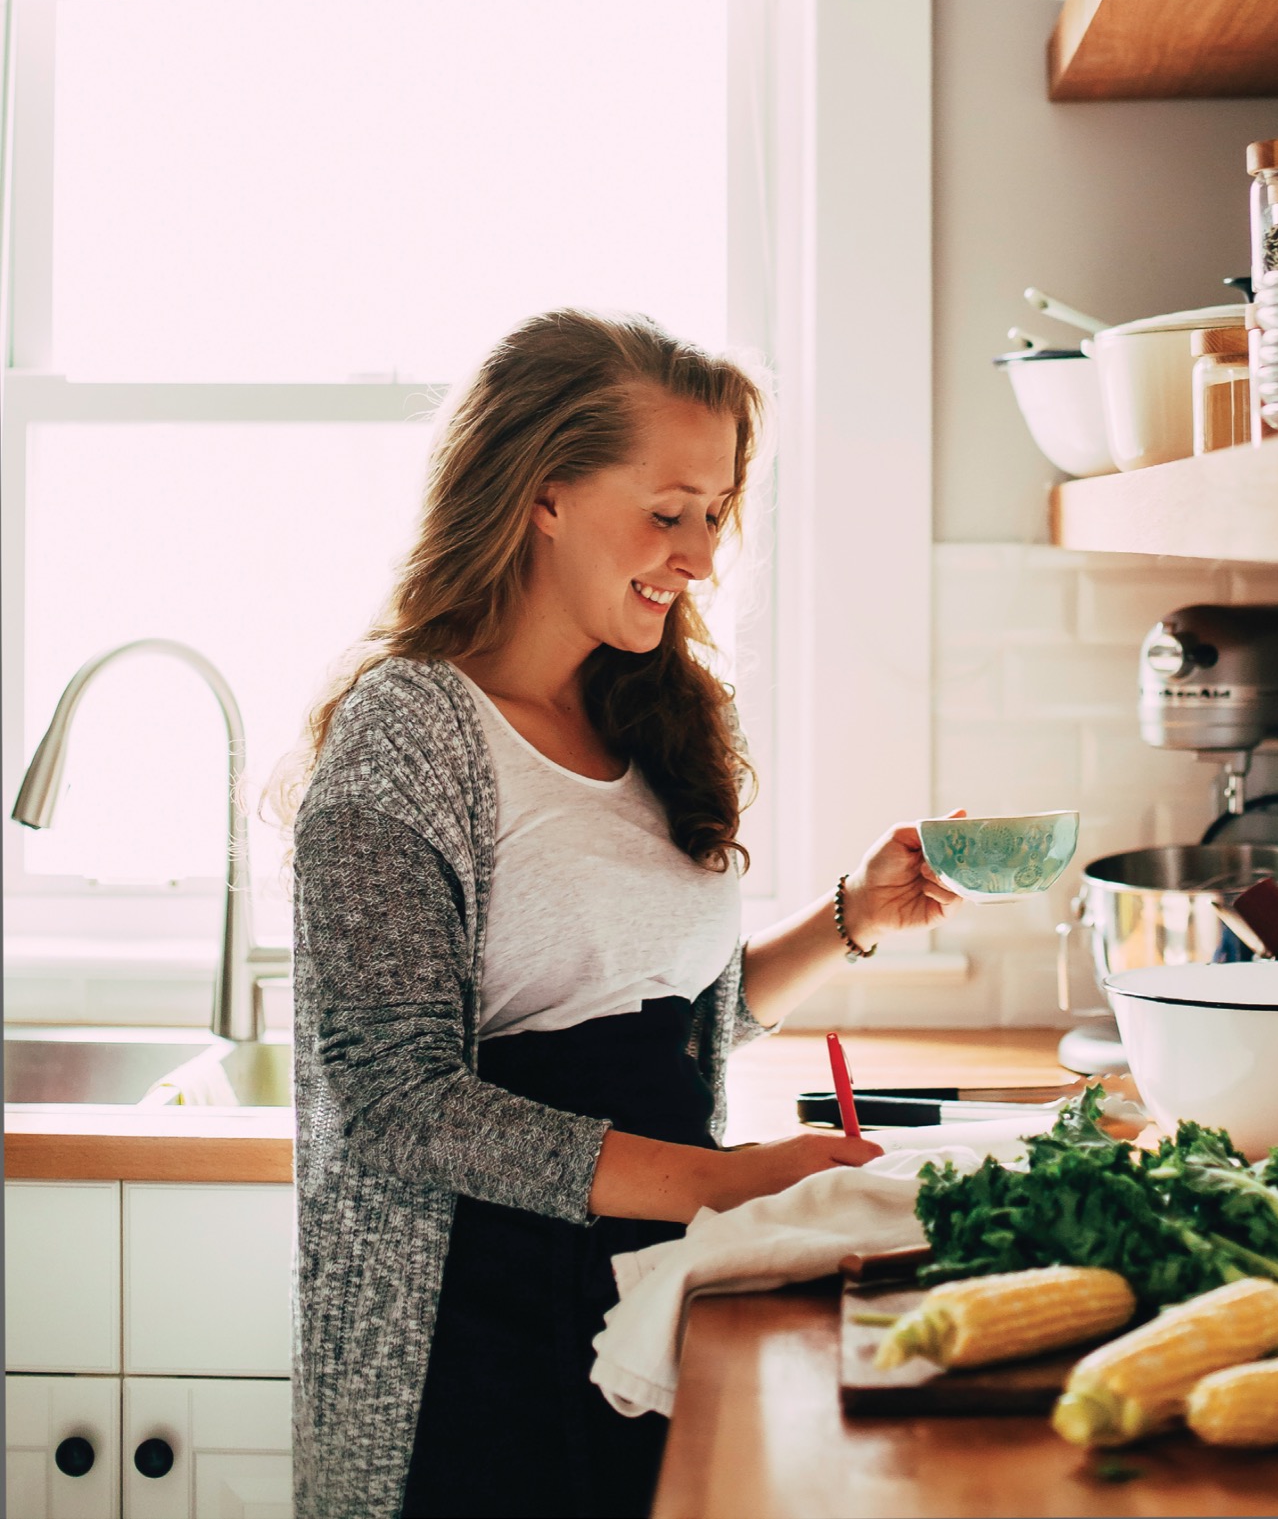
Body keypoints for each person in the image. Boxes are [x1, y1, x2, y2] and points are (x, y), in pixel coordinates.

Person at [284, 310, 957, 1519]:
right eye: (667, 511)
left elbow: (645, 1026)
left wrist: (847, 918)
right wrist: (723, 1183)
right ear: (542, 496)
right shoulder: (410, 735)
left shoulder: (647, 710)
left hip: (643, 1277)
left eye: (715, 514)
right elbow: (394, 1103)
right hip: (475, 1322)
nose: (699, 555)